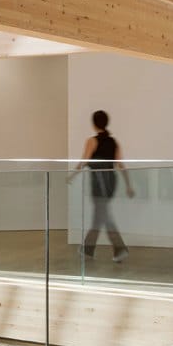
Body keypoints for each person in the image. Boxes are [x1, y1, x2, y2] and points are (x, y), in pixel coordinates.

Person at [71, 110, 134, 263]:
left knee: (102, 215)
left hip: (99, 182)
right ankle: (89, 249)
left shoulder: (92, 141)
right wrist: (128, 185)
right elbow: (120, 164)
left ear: (94, 124)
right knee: (101, 216)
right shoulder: (114, 142)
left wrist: (72, 175)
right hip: (111, 182)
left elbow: (84, 161)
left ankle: (118, 249)